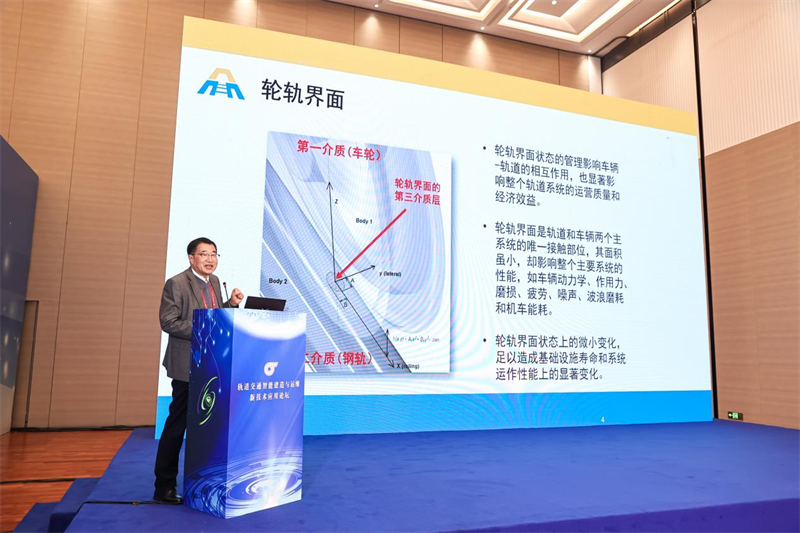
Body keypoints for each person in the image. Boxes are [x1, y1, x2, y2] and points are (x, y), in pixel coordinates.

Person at [153, 237, 244, 504]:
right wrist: (202, 327)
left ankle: (203, 482)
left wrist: (230, 305)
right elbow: (168, 322)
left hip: (211, 365)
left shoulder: (214, 282)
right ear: (191, 258)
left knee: (207, 427)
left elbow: (213, 316)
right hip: (186, 366)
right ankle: (164, 486)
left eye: (214, 254)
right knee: (177, 425)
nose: (210, 259)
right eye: (204, 254)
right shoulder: (177, 283)